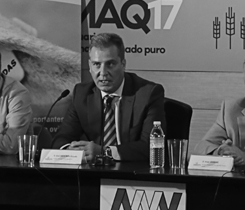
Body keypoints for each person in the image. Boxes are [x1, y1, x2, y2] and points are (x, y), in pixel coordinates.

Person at [52, 33, 165, 162]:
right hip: (93, 172)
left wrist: (105, 152)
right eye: (96, 64)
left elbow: (152, 147)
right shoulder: (82, 94)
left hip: (132, 171)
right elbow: (61, 139)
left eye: (110, 64)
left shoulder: (147, 94)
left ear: (123, 64)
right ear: (89, 66)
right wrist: (69, 150)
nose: (103, 73)